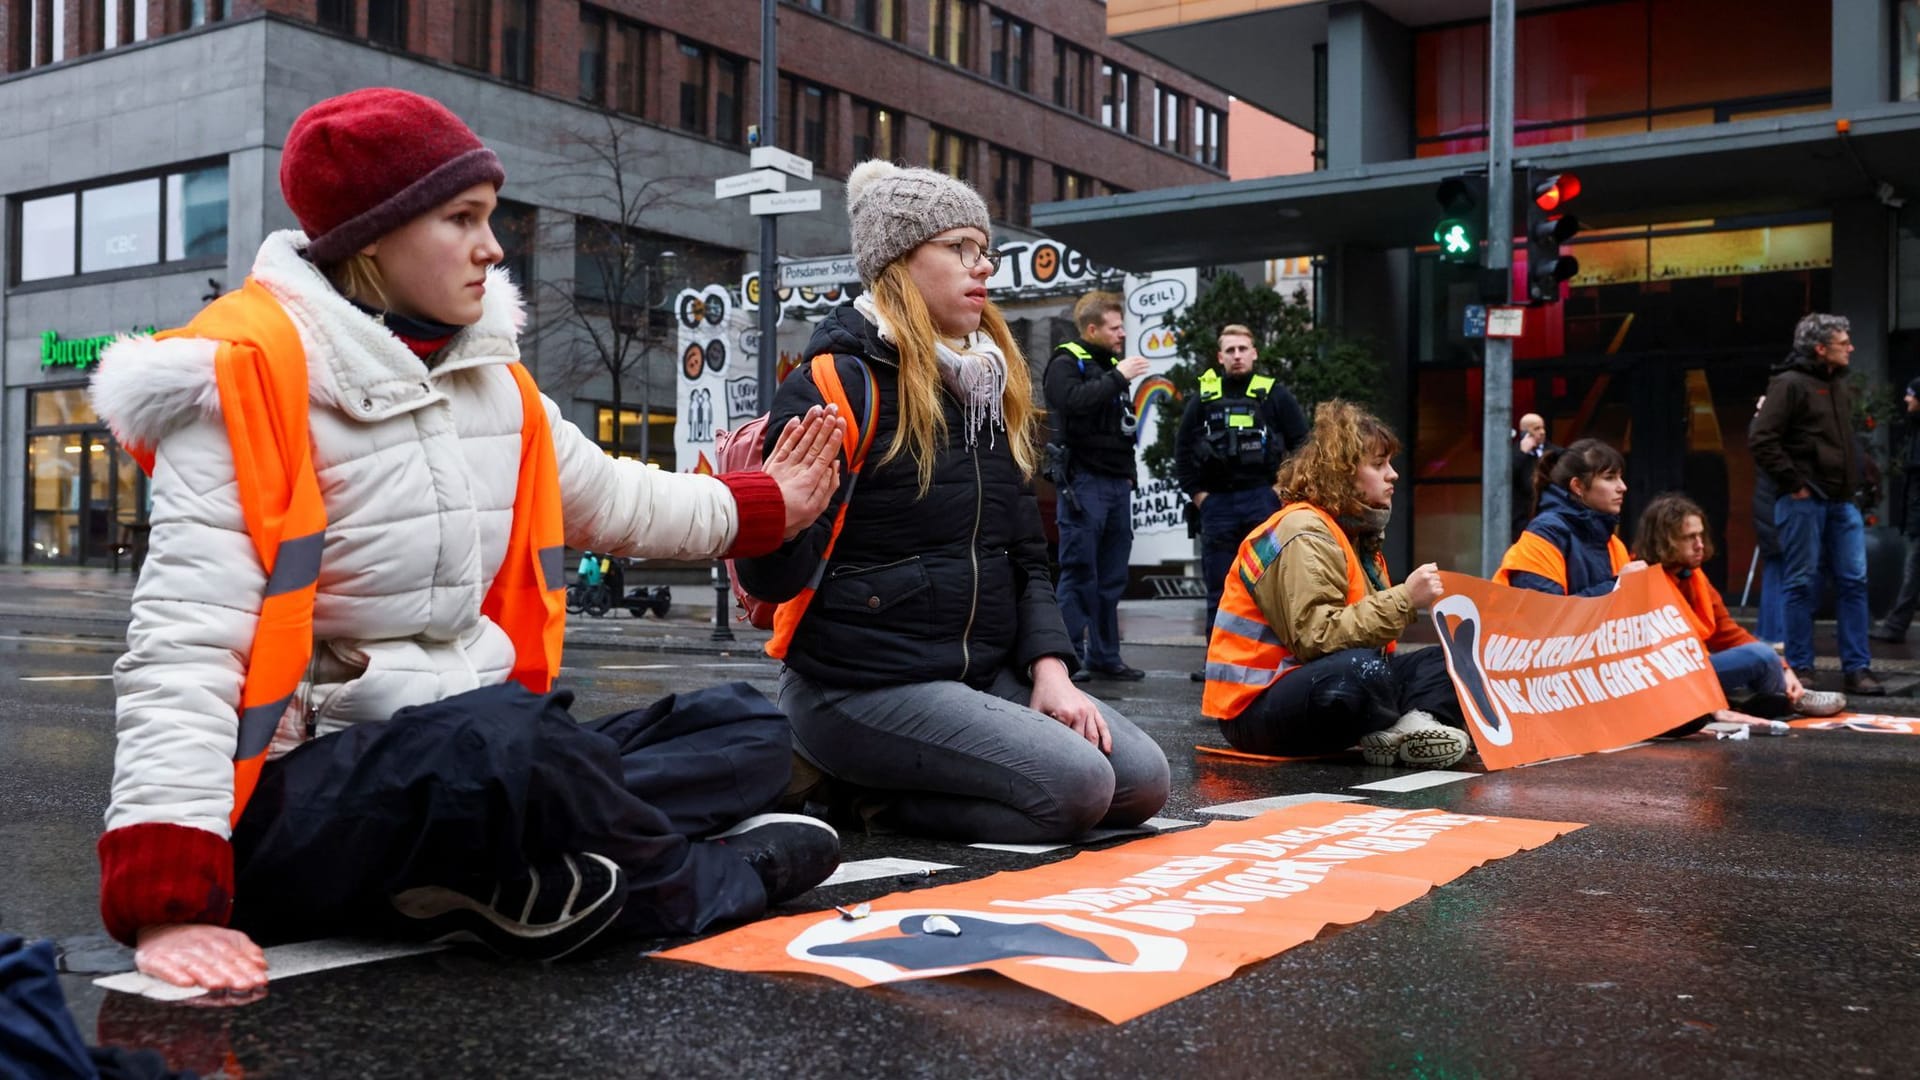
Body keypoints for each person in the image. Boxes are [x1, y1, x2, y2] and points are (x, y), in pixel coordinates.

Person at [87, 89, 846, 995]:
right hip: (300, 805)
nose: (495, 247)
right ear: (373, 237)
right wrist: (168, 899)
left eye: (491, 218)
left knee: (747, 725)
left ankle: (495, 881)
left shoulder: (493, 380)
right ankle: (700, 882)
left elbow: (622, 499)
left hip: (476, 761)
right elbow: (184, 648)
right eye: (464, 219)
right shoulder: (245, 382)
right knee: (511, 744)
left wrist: (770, 505)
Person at [738, 161, 1170, 843]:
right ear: (899, 261)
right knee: (1079, 787)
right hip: (856, 687)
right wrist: (777, 515)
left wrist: (1050, 672)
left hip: (975, 674)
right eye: (959, 247)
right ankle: (854, 794)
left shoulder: (985, 386)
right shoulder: (837, 381)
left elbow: (1025, 553)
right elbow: (771, 579)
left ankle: (902, 777)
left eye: (984, 249)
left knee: (1143, 781)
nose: (984, 268)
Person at [1201, 401, 1469, 769]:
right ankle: (1401, 722)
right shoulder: (1302, 531)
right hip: (1254, 708)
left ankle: (1407, 729)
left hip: (1310, 685)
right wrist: (1406, 598)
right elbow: (1316, 637)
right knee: (1363, 672)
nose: (1393, 475)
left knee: (1454, 657)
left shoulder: (1355, 535)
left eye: (1389, 463)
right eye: (1378, 465)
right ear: (1341, 474)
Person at [1749, 313, 1883, 694]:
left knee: (1853, 583)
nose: (1851, 348)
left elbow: (1840, 442)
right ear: (1821, 348)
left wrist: (1861, 474)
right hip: (1805, 501)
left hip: (1841, 500)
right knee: (1801, 584)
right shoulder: (1789, 385)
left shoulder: (1836, 385)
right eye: (1844, 342)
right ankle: (1802, 668)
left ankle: (1857, 669)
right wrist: (1795, 484)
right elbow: (1762, 439)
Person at [1633, 494, 1845, 721]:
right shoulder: (1642, 578)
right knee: (1761, 656)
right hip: (1667, 677)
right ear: (1665, 541)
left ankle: (1788, 696)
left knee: (1763, 655)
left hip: (1694, 669)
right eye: (1689, 537)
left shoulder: (1693, 577)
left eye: (1701, 535)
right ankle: (1790, 702)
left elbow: (1728, 633)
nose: (1700, 545)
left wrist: (1784, 668)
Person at [1175, 323, 1308, 683]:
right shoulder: (1205, 396)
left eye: (1242, 349)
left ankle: (1272, 661)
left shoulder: (1273, 394)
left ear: (1254, 353)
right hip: (1217, 503)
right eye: (1230, 350)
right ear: (1220, 357)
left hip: (1262, 501)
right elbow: (1183, 448)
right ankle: (1217, 664)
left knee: (1269, 585)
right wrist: (1198, 495)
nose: (1236, 356)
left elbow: (1303, 444)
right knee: (1219, 588)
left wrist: (1282, 490)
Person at [1044, 290, 1151, 682]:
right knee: (1079, 572)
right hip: (1083, 482)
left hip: (1115, 484)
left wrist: (1129, 477)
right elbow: (1069, 402)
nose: (1122, 334)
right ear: (1093, 329)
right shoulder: (1067, 361)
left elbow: (1121, 428)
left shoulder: (1108, 365)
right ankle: (1067, 658)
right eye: (1115, 327)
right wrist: (1117, 376)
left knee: (1111, 576)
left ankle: (1106, 656)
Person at [1494, 439, 1644, 596]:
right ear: (1578, 486)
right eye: (1610, 477)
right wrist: (1616, 586)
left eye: (1620, 477)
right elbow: (1543, 614)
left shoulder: (1613, 543)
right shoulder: (1544, 535)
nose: (1622, 487)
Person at [1872, 376, 1920, 642]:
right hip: (1915, 516)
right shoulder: (1913, 428)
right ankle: (1895, 625)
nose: (1906, 398)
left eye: (1911, 394)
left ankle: (1896, 625)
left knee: (1913, 572)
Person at [1510, 412, 1554, 540]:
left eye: (1543, 427)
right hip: (1522, 519)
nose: (1542, 432)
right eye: (1536, 429)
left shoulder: (1555, 453)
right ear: (1524, 432)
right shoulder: (1513, 453)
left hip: (1548, 514)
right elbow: (1505, 480)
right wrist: (1522, 453)